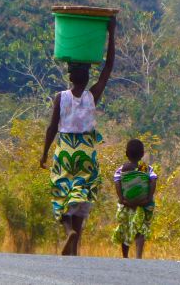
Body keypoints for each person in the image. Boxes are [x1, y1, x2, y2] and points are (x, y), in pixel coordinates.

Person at [40, 16, 116, 256]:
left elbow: (52, 128)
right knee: (82, 194)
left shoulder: (60, 97)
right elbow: (108, 68)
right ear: (86, 78)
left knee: (61, 191)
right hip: (85, 150)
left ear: (70, 77)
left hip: (64, 149)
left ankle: (68, 232)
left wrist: (43, 153)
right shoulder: (92, 96)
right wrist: (111, 33)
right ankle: (76, 242)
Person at [112, 139, 157, 259]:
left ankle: (125, 256)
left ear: (126, 154)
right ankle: (138, 256)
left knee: (125, 228)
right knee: (140, 229)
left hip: (127, 204)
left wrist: (122, 199)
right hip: (143, 204)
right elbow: (153, 180)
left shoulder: (122, 169)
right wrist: (148, 197)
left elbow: (117, 181)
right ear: (142, 154)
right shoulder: (144, 168)